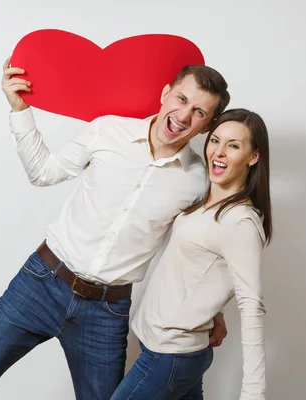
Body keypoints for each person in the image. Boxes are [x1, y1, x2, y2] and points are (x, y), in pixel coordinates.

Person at [0, 57, 231, 400]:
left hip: (106, 312)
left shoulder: (197, 181)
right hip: (40, 283)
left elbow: (189, 252)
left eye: (199, 112)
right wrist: (19, 110)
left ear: (208, 126)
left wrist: (212, 308)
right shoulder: (107, 130)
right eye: (182, 99)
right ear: (165, 94)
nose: (183, 115)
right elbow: (43, 173)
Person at [110, 108, 272, 400]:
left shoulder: (240, 221)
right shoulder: (206, 200)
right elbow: (205, 269)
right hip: (168, 348)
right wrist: (215, 310)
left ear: (253, 156)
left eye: (233, 146)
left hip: (171, 354)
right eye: (215, 140)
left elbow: (251, 308)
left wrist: (253, 394)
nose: (219, 152)